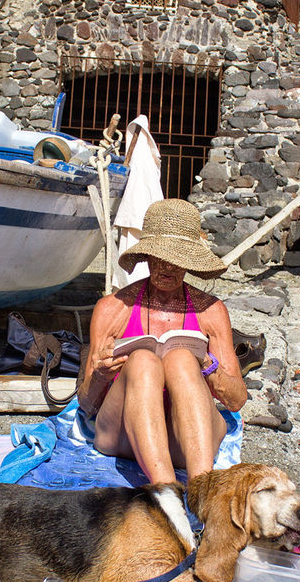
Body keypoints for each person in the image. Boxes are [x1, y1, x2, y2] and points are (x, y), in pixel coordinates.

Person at [77, 199, 248, 484]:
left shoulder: (210, 311)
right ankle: (165, 491)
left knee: (181, 359)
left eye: (178, 258)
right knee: (143, 361)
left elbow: (237, 400)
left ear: (189, 262)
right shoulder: (113, 309)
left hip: (188, 439)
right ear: (147, 256)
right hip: (124, 437)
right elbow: (86, 404)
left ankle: (201, 487)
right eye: (160, 257)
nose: (168, 266)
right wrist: (101, 375)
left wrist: (208, 367)